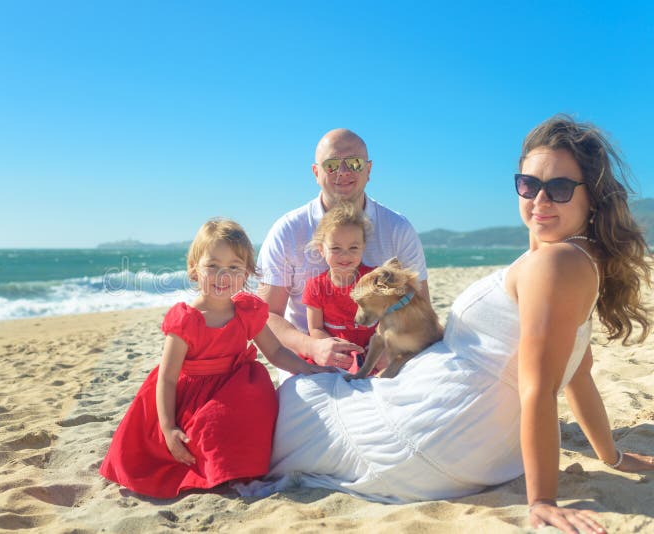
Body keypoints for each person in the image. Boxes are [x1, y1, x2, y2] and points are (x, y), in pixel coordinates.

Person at [239, 115, 654, 533]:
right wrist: (612, 456)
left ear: (592, 195)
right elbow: (578, 373)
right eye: (528, 186)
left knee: (295, 402)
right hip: (464, 433)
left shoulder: (554, 264)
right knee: (299, 396)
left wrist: (542, 500)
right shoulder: (574, 257)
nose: (540, 201)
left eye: (559, 189)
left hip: (435, 429)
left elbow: (541, 387)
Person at [98, 218, 331, 498]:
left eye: (233, 267)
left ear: (246, 274)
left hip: (233, 390)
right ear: (194, 269)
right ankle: (217, 471)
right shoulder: (187, 320)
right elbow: (167, 379)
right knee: (207, 428)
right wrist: (169, 427)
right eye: (213, 266)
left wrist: (307, 368)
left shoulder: (246, 310)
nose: (223, 276)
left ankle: (242, 465)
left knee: (256, 401)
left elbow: (276, 352)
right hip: (190, 397)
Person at [258, 128, 428, 374]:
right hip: (308, 368)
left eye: (355, 163)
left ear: (368, 170)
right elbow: (266, 316)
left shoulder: (397, 229)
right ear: (316, 173)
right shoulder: (287, 230)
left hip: (384, 364)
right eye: (331, 165)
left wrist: (391, 348)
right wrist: (313, 346)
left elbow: (422, 308)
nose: (344, 172)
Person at [302, 201, 378, 375]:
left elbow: (388, 317)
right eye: (336, 248)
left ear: (363, 247)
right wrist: (337, 349)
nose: (345, 255)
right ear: (321, 250)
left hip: (373, 353)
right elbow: (315, 328)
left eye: (353, 247)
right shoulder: (316, 286)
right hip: (336, 357)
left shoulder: (372, 279)